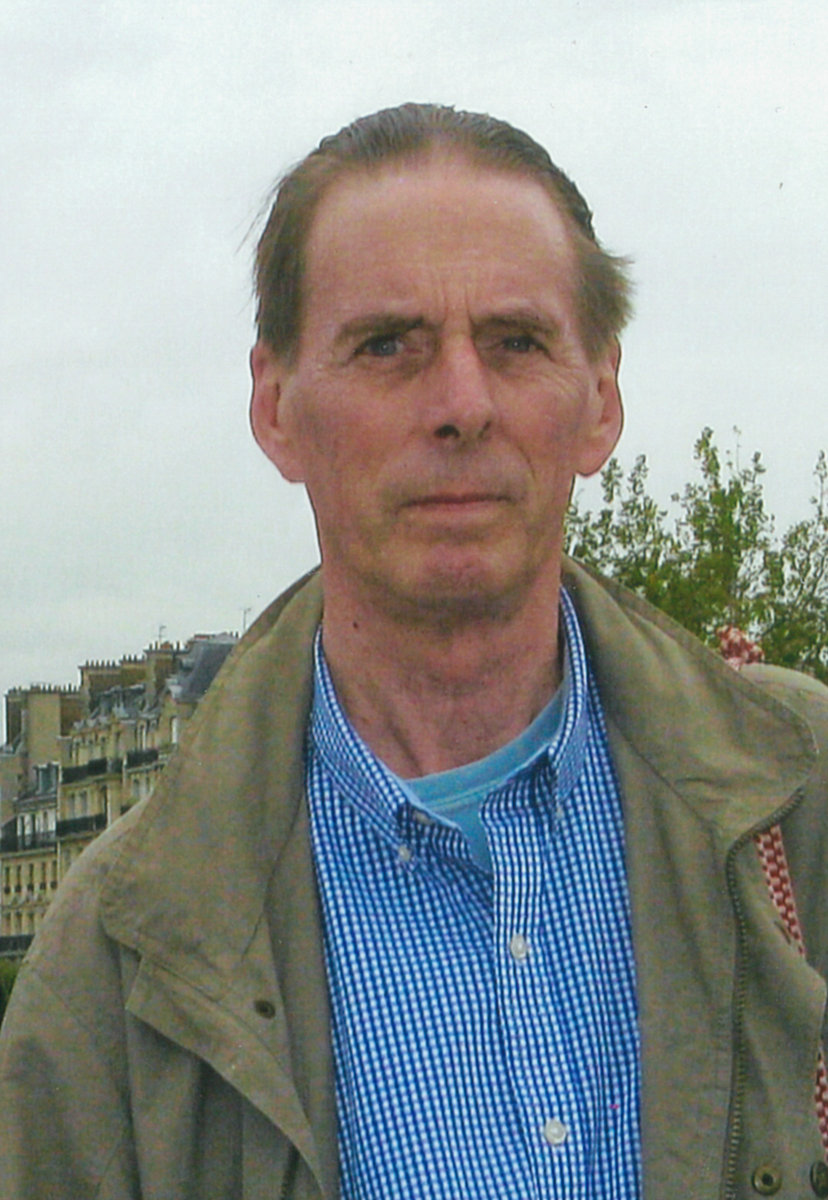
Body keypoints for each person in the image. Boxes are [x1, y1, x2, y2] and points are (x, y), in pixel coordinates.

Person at [1, 102, 827, 1200]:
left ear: (602, 399)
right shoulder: (109, 968)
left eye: (516, 342)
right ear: (275, 407)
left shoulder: (802, 806)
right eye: (388, 345)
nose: (462, 405)